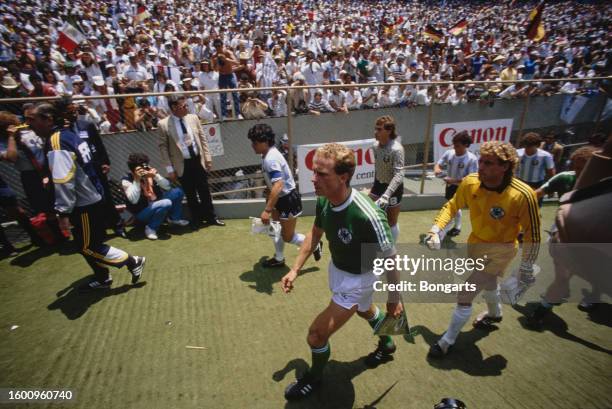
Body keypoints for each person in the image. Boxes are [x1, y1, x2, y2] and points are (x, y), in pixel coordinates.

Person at [280, 143, 403, 400]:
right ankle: (387, 342)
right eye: (314, 172)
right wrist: (294, 269)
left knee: (316, 335)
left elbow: (391, 259)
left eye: (322, 174)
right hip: (339, 270)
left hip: (359, 281)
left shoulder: (368, 215)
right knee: (364, 310)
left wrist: (394, 300)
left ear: (343, 177)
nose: (314, 179)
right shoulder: (324, 200)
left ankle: (314, 378)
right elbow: (315, 233)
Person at [424, 141, 541, 357]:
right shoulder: (470, 182)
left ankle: (446, 342)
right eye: (481, 161)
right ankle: (495, 313)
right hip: (475, 244)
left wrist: (526, 267)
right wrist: (435, 230)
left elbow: (533, 235)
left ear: (505, 166)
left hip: (502, 250)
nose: (482, 167)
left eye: (488, 163)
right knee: (489, 283)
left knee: (465, 293)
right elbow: (452, 206)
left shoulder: (523, 195)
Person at [28, 103, 146, 291]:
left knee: (86, 246)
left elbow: (64, 180)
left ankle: (132, 261)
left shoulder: (58, 141)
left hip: (83, 203)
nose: (29, 125)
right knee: (88, 243)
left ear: (48, 118)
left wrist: (63, 213)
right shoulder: (68, 135)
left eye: (32, 120)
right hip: (92, 197)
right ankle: (103, 278)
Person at [247, 124, 322, 267]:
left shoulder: (271, 159)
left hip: (287, 199)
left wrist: (267, 210)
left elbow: (279, 185)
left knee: (287, 236)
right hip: (279, 198)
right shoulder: (267, 154)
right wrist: (270, 199)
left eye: (255, 143)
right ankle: (279, 258)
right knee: (276, 229)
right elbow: (273, 184)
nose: (252, 146)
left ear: (265, 142)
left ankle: (314, 244)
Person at [60, 99, 126, 238]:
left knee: (106, 198)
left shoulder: (86, 125)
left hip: (95, 168)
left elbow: (99, 144)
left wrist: (105, 162)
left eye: (74, 110)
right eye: (69, 111)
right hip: (78, 172)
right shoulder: (61, 132)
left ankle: (118, 227)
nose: (73, 114)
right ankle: (98, 230)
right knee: (90, 204)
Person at [158, 96, 224, 229]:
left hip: (197, 160)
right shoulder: (163, 124)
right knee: (190, 193)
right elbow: (162, 147)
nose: (187, 108)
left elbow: (203, 138)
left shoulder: (193, 118)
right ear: (174, 108)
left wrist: (208, 158)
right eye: (184, 106)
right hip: (182, 164)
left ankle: (211, 217)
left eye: (186, 105)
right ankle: (197, 219)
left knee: (204, 190)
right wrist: (169, 169)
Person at [121, 153, 189, 240]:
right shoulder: (126, 179)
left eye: (145, 166)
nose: (144, 169)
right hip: (141, 213)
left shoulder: (148, 171)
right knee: (166, 203)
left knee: (178, 192)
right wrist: (137, 179)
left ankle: (174, 219)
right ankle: (151, 228)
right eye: (141, 167)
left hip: (155, 203)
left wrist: (156, 176)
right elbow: (133, 200)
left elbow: (167, 186)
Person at [433, 131, 478, 238]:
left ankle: (441, 233)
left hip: (462, 188)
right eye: (454, 145)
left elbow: (471, 179)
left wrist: (453, 180)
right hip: (450, 186)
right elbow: (438, 164)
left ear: (466, 145)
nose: (455, 148)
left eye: (458, 146)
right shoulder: (449, 153)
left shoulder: (472, 159)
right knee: (453, 207)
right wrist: (437, 169)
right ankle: (457, 227)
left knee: (452, 208)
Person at [368, 116, 404, 243]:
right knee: (368, 212)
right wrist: (373, 187)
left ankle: (390, 252)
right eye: (375, 129)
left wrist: (386, 195)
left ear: (388, 131)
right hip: (378, 185)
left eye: (379, 129)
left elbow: (399, 175)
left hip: (394, 189)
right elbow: (378, 169)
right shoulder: (374, 146)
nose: (375, 132)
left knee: (392, 221)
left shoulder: (397, 149)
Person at [516, 132, 555, 206]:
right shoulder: (518, 153)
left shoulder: (545, 156)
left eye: (530, 146)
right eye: (526, 146)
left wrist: (552, 188)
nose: (527, 149)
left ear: (537, 145)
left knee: (535, 205)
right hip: (521, 182)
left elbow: (551, 172)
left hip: (537, 184)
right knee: (519, 204)